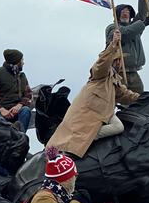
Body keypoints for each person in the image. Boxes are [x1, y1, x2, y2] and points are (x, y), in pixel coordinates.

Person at [47, 29, 140, 158]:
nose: (120, 63)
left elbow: (127, 95)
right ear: (114, 60)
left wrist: (147, 98)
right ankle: (90, 136)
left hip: (104, 114)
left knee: (120, 126)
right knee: (117, 127)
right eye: (119, 60)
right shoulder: (102, 73)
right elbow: (102, 63)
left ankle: (93, 137)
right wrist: (113, 45)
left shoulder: (115, 79)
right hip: (89, 113)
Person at [103, 0, 149, 94]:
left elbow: (142, 15)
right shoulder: (112, 28)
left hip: (134, 73)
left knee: (139, 103)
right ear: (117, 15)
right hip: (118, 73)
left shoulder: (135, 28)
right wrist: (144, 23)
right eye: (123, 11)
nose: (126, 13)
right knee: (121, 102)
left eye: (128, 12)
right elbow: (124, 34)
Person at [0, 48, 32, 131]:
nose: (23, 62)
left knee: (26, 111)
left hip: (18, 111)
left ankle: (20, 138)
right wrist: (2, 110)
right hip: (0, 111)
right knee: (1, 127)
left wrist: (19, 105)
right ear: (16, 61)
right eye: (22, 60)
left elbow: (28, 94)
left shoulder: (22, 76)